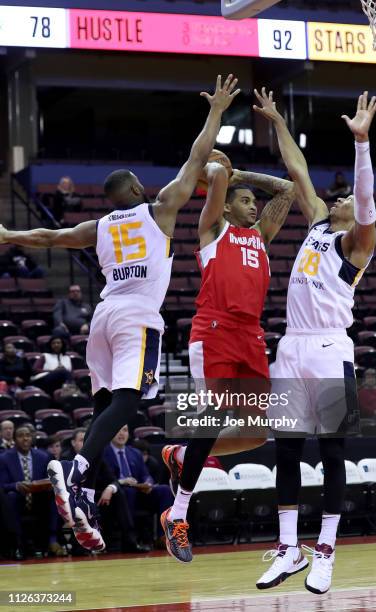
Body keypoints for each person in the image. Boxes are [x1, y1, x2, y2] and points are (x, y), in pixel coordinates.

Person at [0, 74, 240, 553]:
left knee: (106, 407)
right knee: (130, 404)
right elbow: (197, 159)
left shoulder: (98, 225)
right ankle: (77, 471)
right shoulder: (160, 209)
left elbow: (48, 239)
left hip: (102, 316)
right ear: (134, 187)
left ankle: (83, 495)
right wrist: (216, 111)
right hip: (136, 316)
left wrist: (7, 235)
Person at [253, 89, 376, 595]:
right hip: (291, 346)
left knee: (331, 452)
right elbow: (297, 168)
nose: (343, 197)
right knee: (284, 450)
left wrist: (363, 143)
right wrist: (280, 122)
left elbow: (367, 202)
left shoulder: (358, 242)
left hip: (329, 346)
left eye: (348, 197)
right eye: (343, 196)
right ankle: (288, 549)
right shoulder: (320, 222)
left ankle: (325, 551)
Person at [161, 134, 296, 561]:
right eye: (243, 200)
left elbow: (288, 189)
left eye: (254, 202)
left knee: (256, 433)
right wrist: (224, 174)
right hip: (215, 331)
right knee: (216, 415)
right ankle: (177, 515)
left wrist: (242, 175)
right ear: (224, 207)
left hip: (251, 336)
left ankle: (182, 453)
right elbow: (215, 175)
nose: (253, 206)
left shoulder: (262, 235)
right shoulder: (213, 229)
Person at [0, 425, 66, 558]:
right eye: (20, 436)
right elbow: (2, 485)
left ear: (32, 439)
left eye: (28, 435)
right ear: (14, 440)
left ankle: (52, 541)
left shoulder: (44, 456)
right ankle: (17, 545)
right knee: (11, 497)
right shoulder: (4, 458)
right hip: (17, 500)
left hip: (38, 499)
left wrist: (47, 484)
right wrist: (17, 485)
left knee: (54, 495)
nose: (25, 439)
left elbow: (54, 479)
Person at [103, 425, 173, 545]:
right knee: (128, 492)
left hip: (139, 492)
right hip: (117, 494)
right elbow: (104, 478)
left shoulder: (135, 453)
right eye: (117, 430)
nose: (121, 434)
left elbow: (145, 475)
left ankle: (163, 537)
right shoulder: (103, 452)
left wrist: (148, 483)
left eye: (124, 430)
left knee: (165, 490)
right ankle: (130, 539)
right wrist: (123, 481)